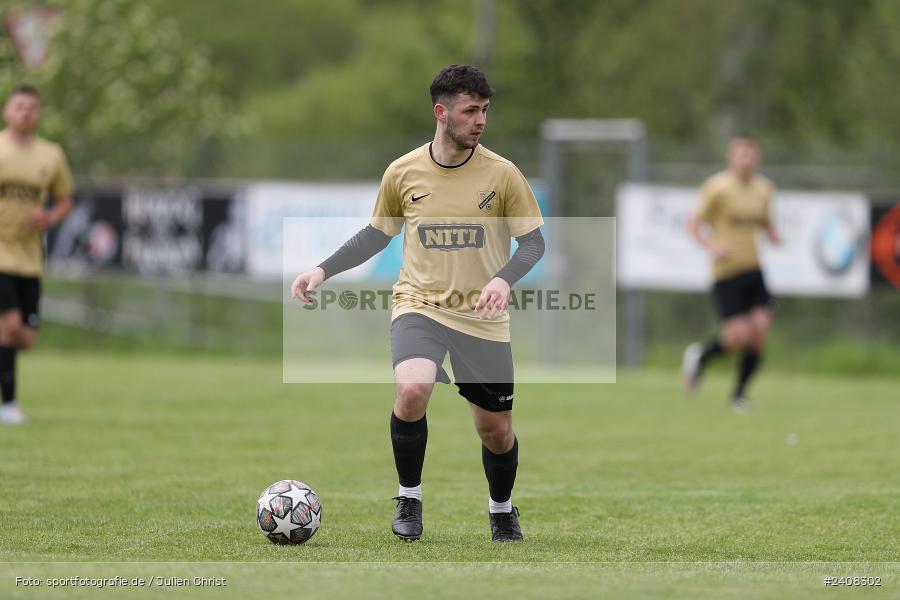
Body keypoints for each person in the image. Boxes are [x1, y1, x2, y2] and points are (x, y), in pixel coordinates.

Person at [291, 64, 544, 542]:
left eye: (485, 111)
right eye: (471, 111)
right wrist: (321, 270)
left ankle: (501, 508)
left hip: (481, 318)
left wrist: (503, 280)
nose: (480, 121)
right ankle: (409, 499)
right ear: (440, 112)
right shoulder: (403, 172)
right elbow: (375, 235)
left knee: (495, 430)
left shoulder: (503, 174)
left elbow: (533, 244)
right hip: (418, 304)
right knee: (411, 391)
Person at [681, 135, 780, 413]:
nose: (745, 159)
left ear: (757, 157)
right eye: (740, 154)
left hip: (754, 269)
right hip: (726, 273)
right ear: (731, 157)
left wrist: (774, 235)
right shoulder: (717, 188)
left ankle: (739, 395)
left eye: (750, 154)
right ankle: (700, 358)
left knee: (759, 332)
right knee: (736, 336)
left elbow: (766, 223)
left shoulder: (764, 189)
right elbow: (692, 224)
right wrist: (711, 245)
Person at [0, 84, 74, 425]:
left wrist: (49, 217)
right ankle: (9, 406)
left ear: (38, 114)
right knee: (10, 327)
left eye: (31, 107)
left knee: (25, 338)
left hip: (29, 257)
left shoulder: (51, 155)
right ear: (7, 112)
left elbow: (64, 199)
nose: (25, 112)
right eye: (19, 106)